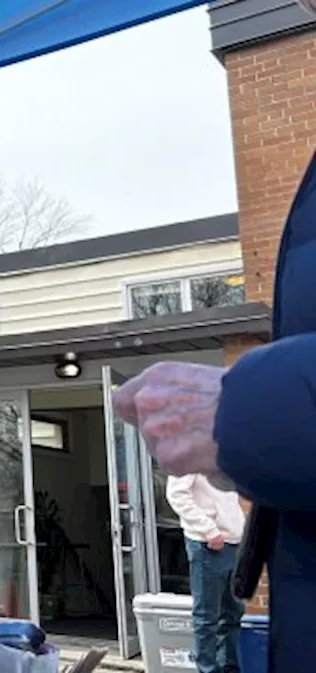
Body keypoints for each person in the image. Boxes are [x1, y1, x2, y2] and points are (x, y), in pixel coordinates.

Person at [113, 149, 316, 673]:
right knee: (210, 615)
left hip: (234, 537)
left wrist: (252, 415)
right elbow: (179, 488)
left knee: (226, 614)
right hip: (214, 540)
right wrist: (212, 525)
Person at [166, 473, 246, 673]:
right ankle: (208, 670)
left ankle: (230, 668)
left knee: (233, 615)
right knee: (207, 617)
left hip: (234, 542)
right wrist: (209, 530)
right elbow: (176, 494)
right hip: (209, 545)